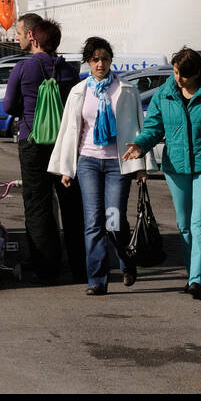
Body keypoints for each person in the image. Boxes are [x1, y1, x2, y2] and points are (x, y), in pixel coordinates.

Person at [123, 47, 201, 299]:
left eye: (183, 75)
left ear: (197, 73)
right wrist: (140, 145)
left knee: (200, 220)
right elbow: (153, 126)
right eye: (175, 72)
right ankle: (191, 274)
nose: (178, 78)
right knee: (184, 223)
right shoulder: (165, 93)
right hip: (175, 166)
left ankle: (198, 280)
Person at [47, 37, 149, 295]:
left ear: (111, 60)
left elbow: (139, 128)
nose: (100, 63)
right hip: (88, 161)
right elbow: (69, 131)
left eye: (104, 58)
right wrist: (66, 169)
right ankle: (97, 279)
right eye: (95, 59)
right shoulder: (79, 91)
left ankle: (127, 261)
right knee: (93, 221)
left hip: (118, 162)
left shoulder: (125, 90)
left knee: (114, 220)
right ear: (88, 62)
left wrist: (141, 165)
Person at [4, 17, 84, 283]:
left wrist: (28, 113)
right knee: (71, 205)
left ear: (34, 39)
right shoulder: (70, 72)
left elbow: (7, 107)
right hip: (64, 145)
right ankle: (80, 267)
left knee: (38, 206)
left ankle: (47, 268)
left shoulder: (23, 69)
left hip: (33, 141)